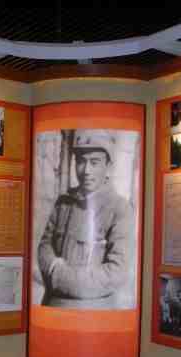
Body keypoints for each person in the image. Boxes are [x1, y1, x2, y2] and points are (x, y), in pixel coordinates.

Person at [37, 130, 136, 309]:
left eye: (94, 162)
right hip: (52, 305)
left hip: (93, 310)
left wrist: (58, 276)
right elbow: (44, 246)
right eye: (81, 161)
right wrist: (52, 267)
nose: (86, 170)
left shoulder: (120, 209)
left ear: (108, 167)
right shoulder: (64, 203)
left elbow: (116, 273)